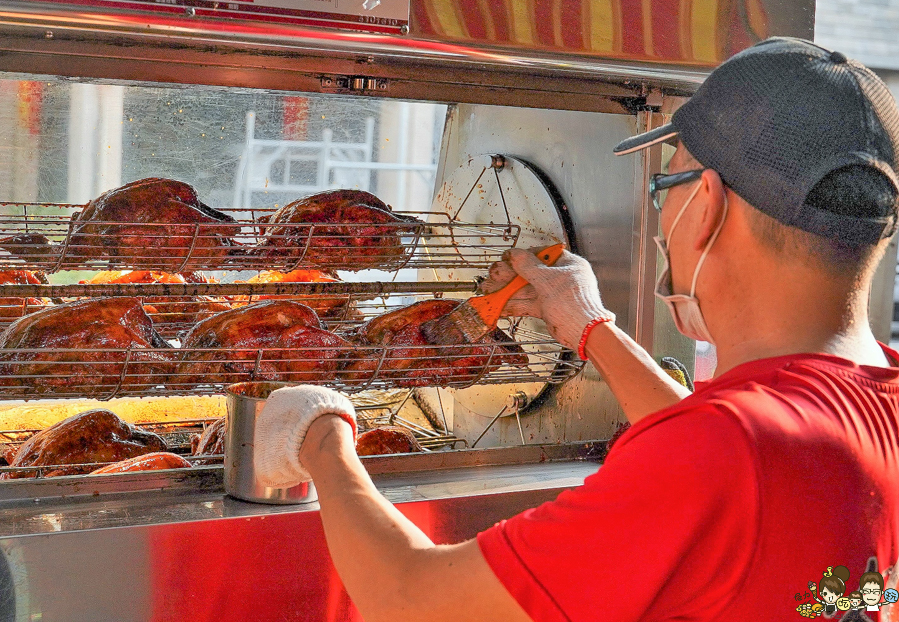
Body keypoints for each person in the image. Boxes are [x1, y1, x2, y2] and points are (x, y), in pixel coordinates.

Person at [252, 37, 899, 621]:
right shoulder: (870, 411)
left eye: (664, 184)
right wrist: (588, 329)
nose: (661, 209)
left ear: (705, 205)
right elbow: (745, 470)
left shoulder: (720, 454)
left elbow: (408, 599)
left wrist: (320, 436)